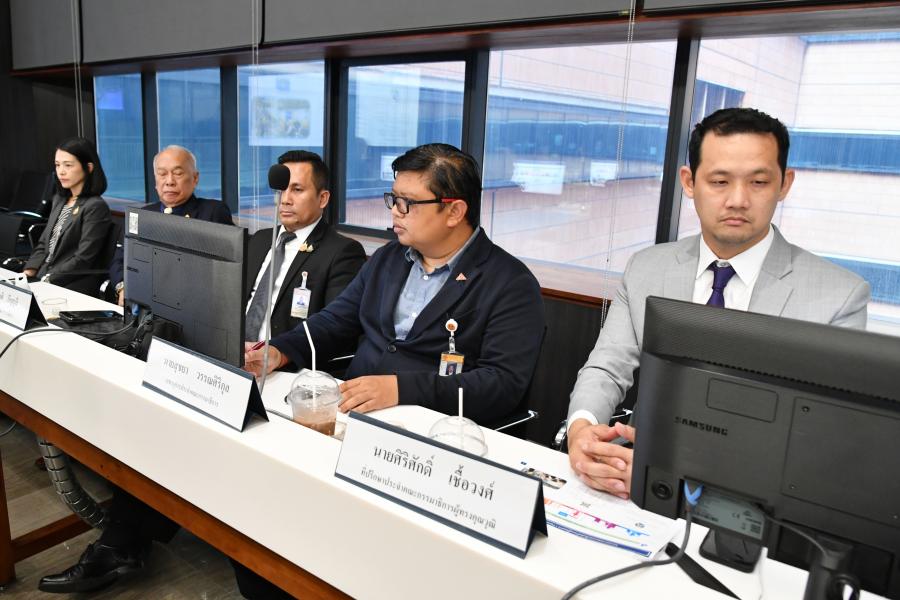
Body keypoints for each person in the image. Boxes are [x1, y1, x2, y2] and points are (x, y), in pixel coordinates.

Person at [565, 107, 871, 500]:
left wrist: (692, 478)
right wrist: (582, 430)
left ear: (784, 184)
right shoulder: (647, 268)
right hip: (635, 483)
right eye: (720, 181)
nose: (738, 200)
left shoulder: (838, 296)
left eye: (758, 182)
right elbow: (607, 368)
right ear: (689, 182)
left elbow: (823, 436)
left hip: (754, 501)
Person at [245, 142, 545, 427]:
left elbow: (501, 384)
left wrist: (400, 388)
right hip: (352, 415)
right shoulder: (389, 258)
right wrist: (280, 350)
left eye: (407, 203)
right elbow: (336, 320)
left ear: (454, 212)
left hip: (435, 429)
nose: (395, 211)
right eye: (393, 199)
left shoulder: (510, 284)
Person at [244, 150, 365, 342]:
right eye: (281, 189)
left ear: (322, 198)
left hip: (284, 356)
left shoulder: (342, 252)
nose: (285, 199)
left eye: (297, 190)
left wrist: (279, 352)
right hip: (233, 351)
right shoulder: (260, 239)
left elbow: (336, 327)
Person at [110, 145, 233, 305]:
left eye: (178, 173)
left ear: (195, 178)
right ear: (155, 180)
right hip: (145, 304)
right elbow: (119, 261)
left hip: (191, 304)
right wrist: (123, 287)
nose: (169, 181)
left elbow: (224, 272)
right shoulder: (142, 215)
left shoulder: (212, 212)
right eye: (162, 174)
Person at [23, 137, 112, 294]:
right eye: (57, 165)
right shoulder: (60, 200)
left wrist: (48, 278)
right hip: (44, 276)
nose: (61, 171)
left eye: (68, 165)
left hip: (70, 282)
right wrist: (28, 272)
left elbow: (83, 258)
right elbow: (44, 244)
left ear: (88, 167)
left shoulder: (95, 206)